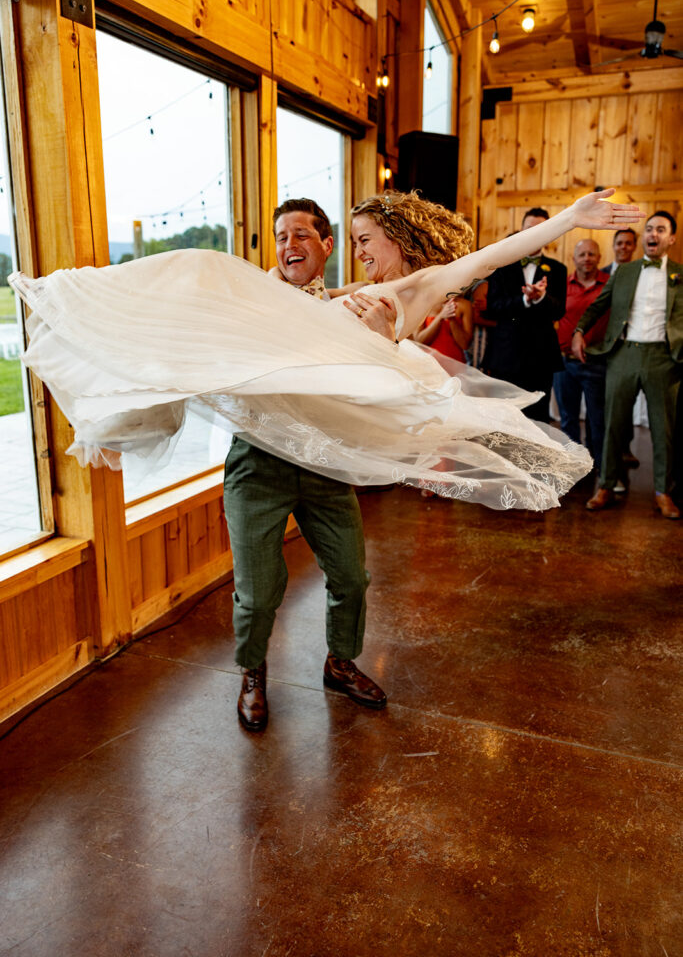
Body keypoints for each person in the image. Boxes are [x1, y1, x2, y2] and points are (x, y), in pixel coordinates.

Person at [10, 189, 643, 520]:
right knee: (200, 290)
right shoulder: (357, 290)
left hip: (343, 382)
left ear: (394, 237)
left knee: (199, 267)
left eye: (366, 240)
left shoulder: (418, 286)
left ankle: (73, 307)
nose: (361, 253)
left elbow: (497, 254)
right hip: (307, 368)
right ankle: (112, 380)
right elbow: (316, 298)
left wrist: (569, 218)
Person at [225, 198, 390, 731]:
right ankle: (252, 673)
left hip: (323, 464)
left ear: (327, 245)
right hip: (258, 465)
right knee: (258, 592)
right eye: (280, 236)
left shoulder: (345, 311)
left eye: (301, 235)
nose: (289, 245)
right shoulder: (251, 304)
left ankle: (340, 662)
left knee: (351, 576)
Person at [574, 211, 682, 519]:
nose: (653, 234)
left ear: (670, 238)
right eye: (649, 229)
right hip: (623, 355)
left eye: (661, 230)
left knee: (663, 430)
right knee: (612, 425)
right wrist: (580, 331)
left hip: (665, 358)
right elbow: (598, 305)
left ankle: (663, 492)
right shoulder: (624, 272)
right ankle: (606, 485)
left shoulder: (680, 274)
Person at [481, 207, 568, 422]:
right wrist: (523, 300)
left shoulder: (557, 269)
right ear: (521, 230)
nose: (535, 233)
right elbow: (492, 307)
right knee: (503, 417)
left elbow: (559, 311)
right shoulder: (501, 266)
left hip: (541, 357)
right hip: (506, 355)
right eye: (530, 228)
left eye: (542, 229)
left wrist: (540, 298)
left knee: (537, 418)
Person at [553, 239, 609, 469]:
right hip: (565, 363)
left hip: (598, 363)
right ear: (574, 259)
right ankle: (573, 464)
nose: (587, 258)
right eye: (582, 254)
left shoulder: (609, 284)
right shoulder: (562, 285)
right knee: (568, 419)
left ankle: (599, 467)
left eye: (591, 254)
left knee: (598, 420)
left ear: (599, 258)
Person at [601, 227, 640, 474]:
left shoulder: (640, 275)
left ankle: (625, 448)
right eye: (620, 243)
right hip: (603, 345)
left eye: (628, 243)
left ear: (634, 247)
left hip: (628, 345)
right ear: (613, 246)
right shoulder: (602, 274)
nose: (623, 247)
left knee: (626, 400)